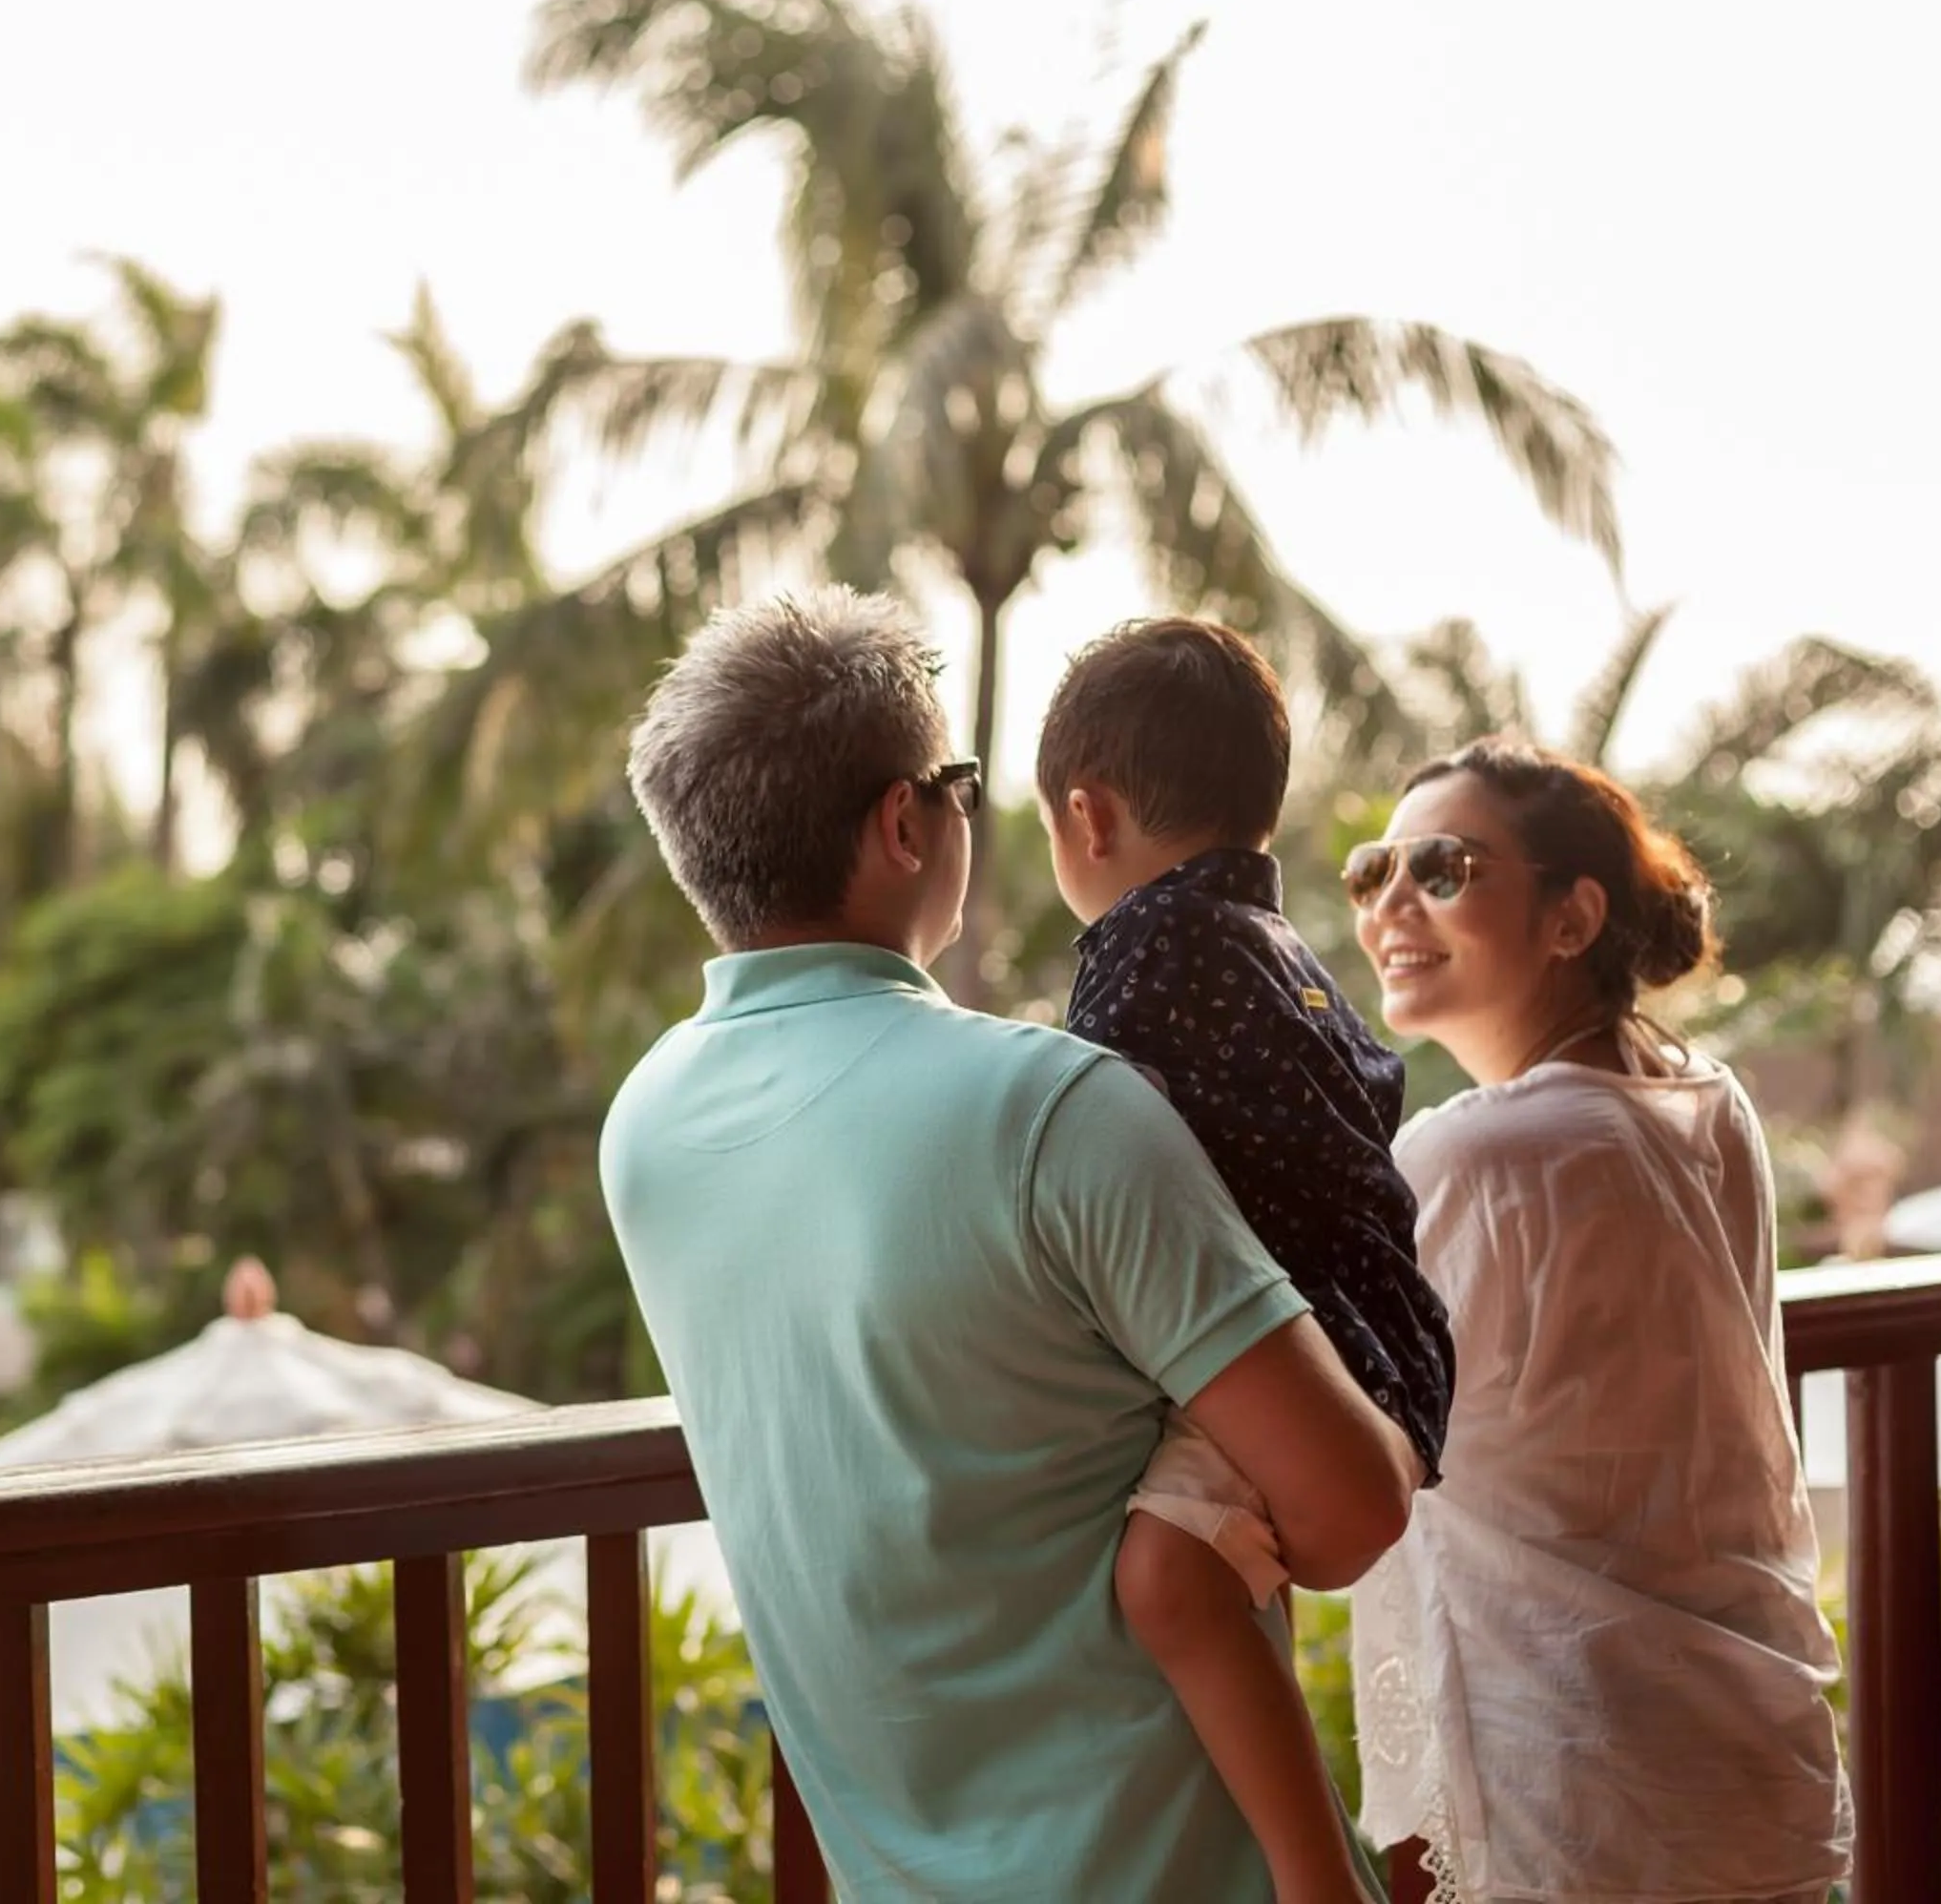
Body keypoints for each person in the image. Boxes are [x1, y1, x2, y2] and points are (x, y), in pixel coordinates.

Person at [599, 585, 1417, 1900]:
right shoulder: (1053, 1109)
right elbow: (1348, 1513)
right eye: (964, 784)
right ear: (904, 820)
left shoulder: (644, 1127)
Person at [1344, 738, 1850, 1904]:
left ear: (1571, 919)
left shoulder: (1474, 1151)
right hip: (1747, 1761)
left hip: (1573, 1786)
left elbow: (1338, 1415)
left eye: (1444, 868)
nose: (1391, 907)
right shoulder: (1703, 1101)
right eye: (1376, 871)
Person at [1034, 619, 1453, 1904]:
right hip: (1386, 1339)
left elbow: (1099, 1143)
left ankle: (1309, 1877)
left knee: (1166, 1579)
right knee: (1205, 1572)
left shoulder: (1142, 958)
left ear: (1087, 817)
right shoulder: (1277, 954)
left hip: (1321, 1337)